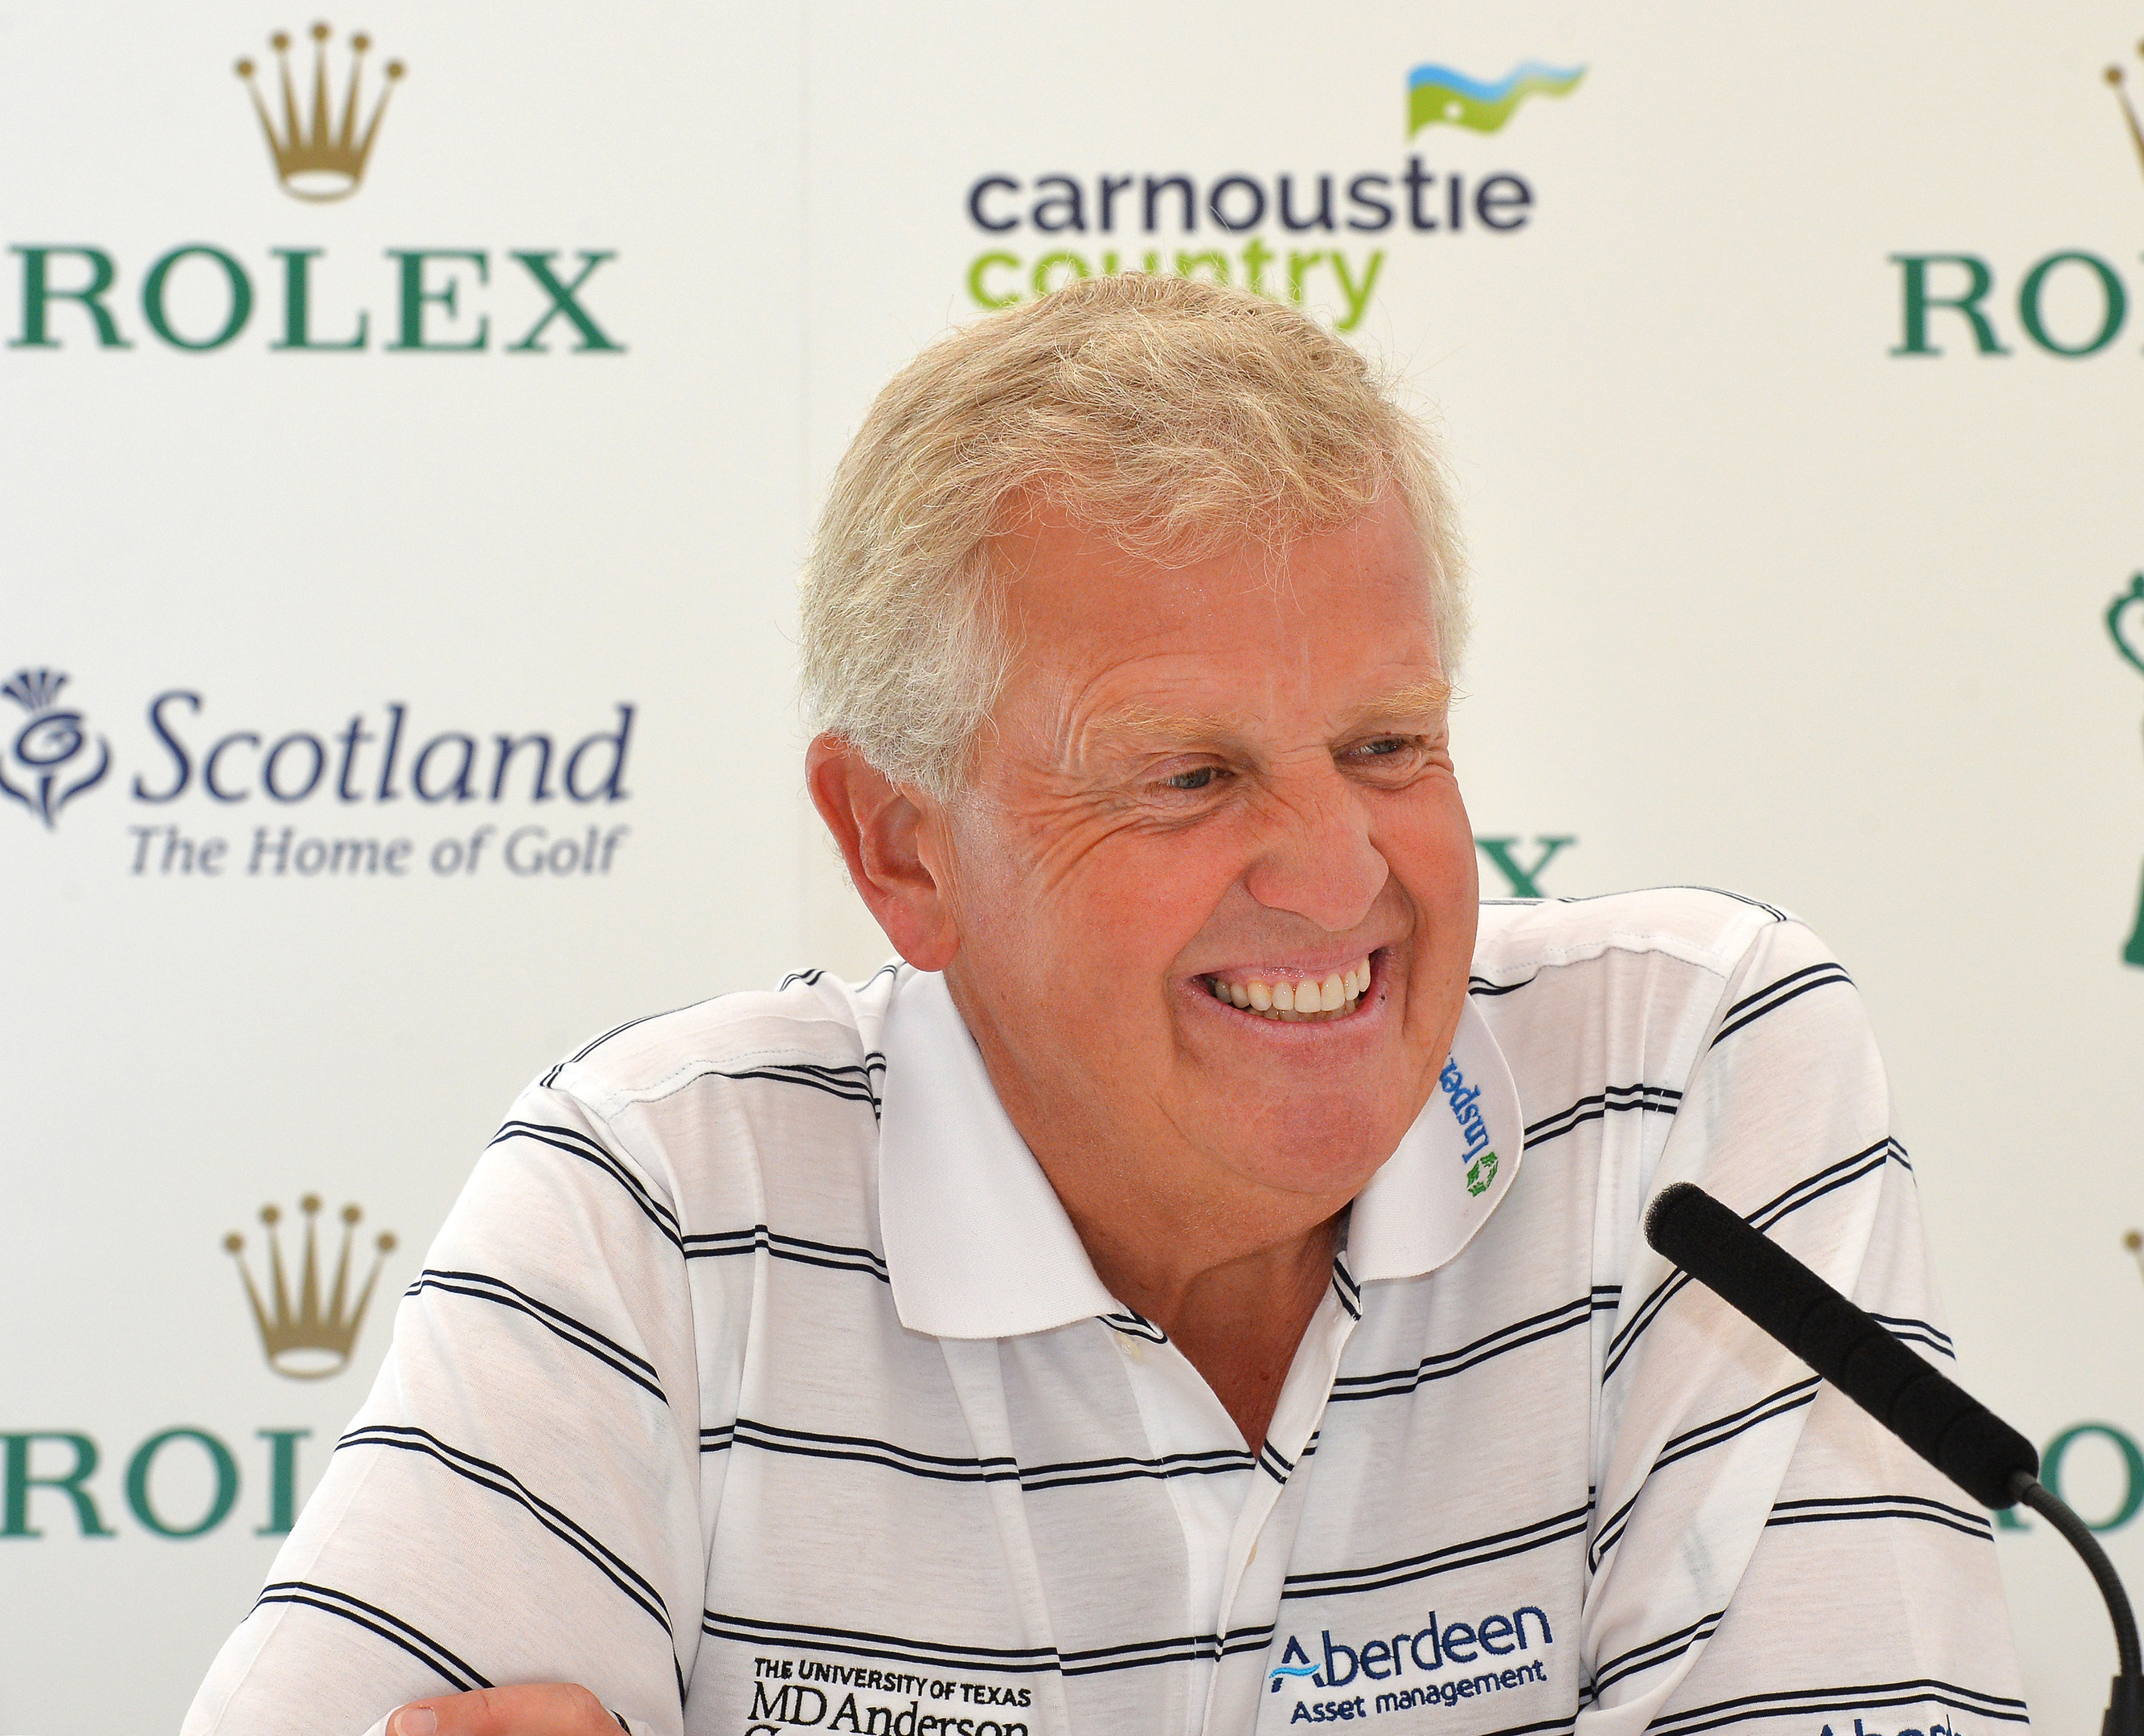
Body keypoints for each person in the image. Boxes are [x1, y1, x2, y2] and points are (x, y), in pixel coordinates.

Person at [181, 274, 2024, 1736]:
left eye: (1386, 746)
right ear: (900, 848)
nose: (1333, 873)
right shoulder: (660, 1196)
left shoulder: (1685, 1072)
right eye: (1185, 777)